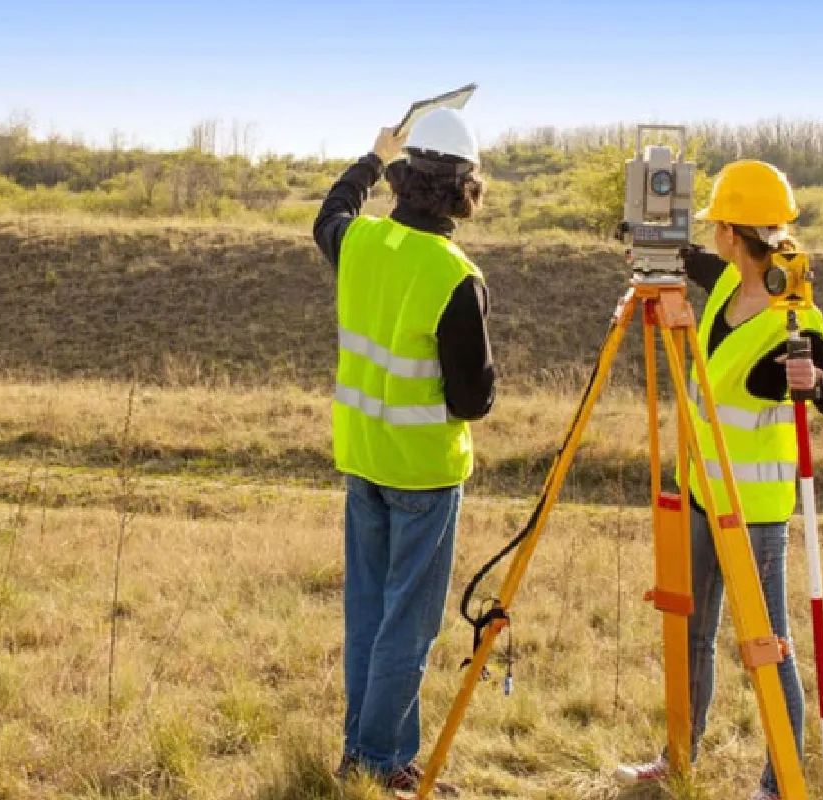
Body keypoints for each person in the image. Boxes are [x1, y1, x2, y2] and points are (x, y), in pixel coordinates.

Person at [615, 161, 823, 800]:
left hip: (754, 510)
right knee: (692, 632)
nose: (711, 236)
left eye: (716, 226)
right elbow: (685, 258)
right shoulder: (731, 280)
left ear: (734, 232)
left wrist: (816, 382)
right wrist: (643, 235)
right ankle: (677, 757)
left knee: (768, 645)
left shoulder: (797, 318)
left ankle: (779, 782)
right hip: (702, 493)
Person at [313, 107, 496, 794]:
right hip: (422, 473)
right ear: (465, 189)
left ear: (403, 177)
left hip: (363, 459)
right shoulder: (455, 275)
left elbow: (330, 214)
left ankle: (370, 753)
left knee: (369, 615)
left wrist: (372, 157)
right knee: (407, 628)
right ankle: (376, 761)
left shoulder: (360, 243)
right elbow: (473, 400)